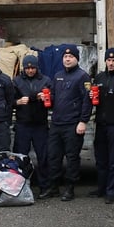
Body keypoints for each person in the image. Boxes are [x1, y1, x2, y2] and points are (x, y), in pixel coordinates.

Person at [38, 44, 92, 202]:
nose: (67, 59)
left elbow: (87, 101)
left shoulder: (83, 77)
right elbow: (53, 97)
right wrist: (46, 98)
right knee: (53, 156)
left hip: (73, 124)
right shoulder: (58, 75)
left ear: (76, 59)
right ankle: (54, 187)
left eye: (71, 57)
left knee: (72, 157)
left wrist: (83, 121)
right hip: (57, 123)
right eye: (65, 57)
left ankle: (70, 188)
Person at [90, 48, 114, 204]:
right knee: (101, 159)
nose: (111, 63)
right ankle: (101, 188)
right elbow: (94, 98)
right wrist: (91, 96)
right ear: (105, 61)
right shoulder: (99, 77)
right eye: (108, 60)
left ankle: (112, 192)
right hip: (101, 124)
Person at [13, 54, 51, 190]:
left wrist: (47, 97)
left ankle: (45, 186)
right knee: (20, 157)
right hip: (23, 124)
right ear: (24, 68)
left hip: (40, 125)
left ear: (37, 68)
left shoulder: (45, 80)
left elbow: (54, 101)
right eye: (27, 68)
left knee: (44, 157)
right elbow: (8, 101)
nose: (30, 71)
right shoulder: (16, 81)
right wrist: (18, 102)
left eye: (33, 68)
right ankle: (20, 186)